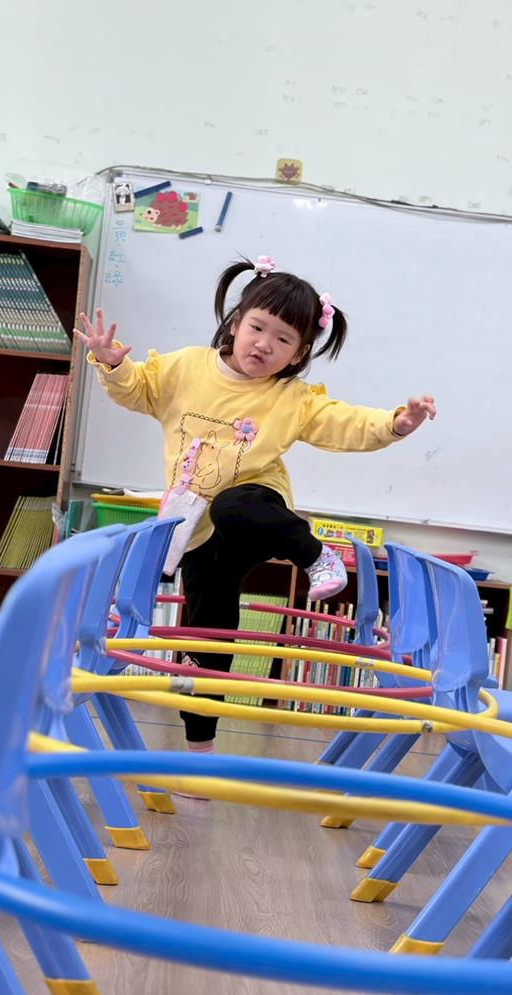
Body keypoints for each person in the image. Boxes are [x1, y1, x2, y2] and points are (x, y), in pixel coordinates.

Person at [75, 255, 436, 761]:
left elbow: (344, 423)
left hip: (255, 508)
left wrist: (396, 424)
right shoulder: (186, 368)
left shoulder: (290, 396)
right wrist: (112, 362)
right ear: (235, 323)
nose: (264, 344)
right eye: (257, 328)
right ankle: (200, 748)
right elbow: (138, 388)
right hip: (195, 528)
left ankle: (317, 557)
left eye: (283, 339)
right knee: (208, 634)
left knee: (234, 504)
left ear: (299, 353)